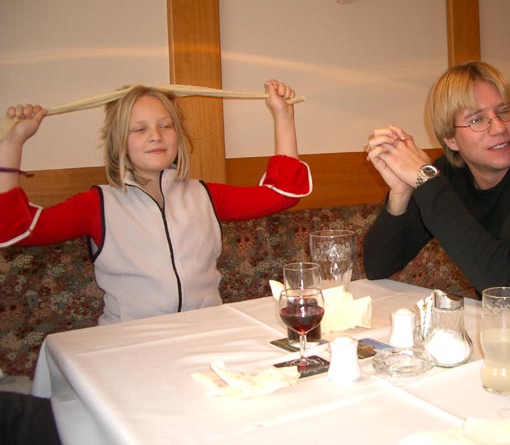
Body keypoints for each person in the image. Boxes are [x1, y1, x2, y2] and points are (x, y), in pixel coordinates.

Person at [0, 80, 311, 324]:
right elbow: (16, 229)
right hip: (132, 342)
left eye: (166, 125)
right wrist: (13, 142)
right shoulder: (98, 204)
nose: (156, 136)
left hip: (205, 332)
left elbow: (283, 193)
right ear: (119, 141)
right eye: (139, 128)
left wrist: (283, 116)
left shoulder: (204, 195)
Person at [364, 61, 510, 327]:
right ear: (450, 140)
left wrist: (427, 181)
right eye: (477, 119)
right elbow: (378, 266)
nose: (499, 127)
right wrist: (400, 194)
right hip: (498, 331)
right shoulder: (449, 174)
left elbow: (504, 284)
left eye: (504, 111)